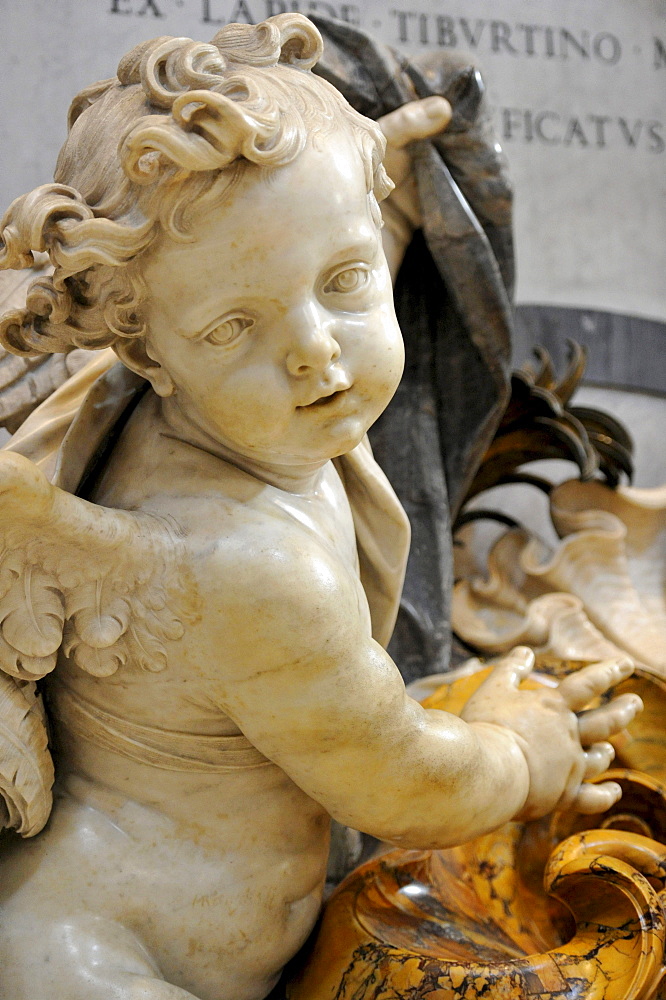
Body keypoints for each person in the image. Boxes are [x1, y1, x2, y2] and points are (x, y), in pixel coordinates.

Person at [0, 14, 641, 1000]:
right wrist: (525, 752)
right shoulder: (247, 565)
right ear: (144, 350)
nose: (319, 351)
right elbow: (399, 780)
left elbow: (280, 232)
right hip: (102, 963)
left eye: (346, 280)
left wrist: (369, 153)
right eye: (234, 327)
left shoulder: (201, 386)